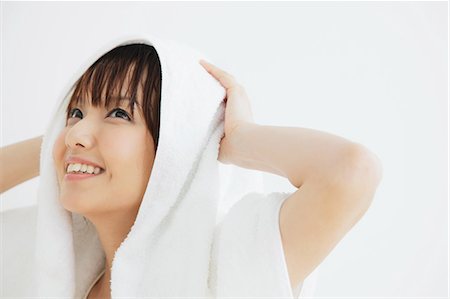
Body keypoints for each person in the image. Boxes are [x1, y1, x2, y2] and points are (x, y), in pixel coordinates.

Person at [1, 42, 383, 299]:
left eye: (118, 113)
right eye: (75, 112)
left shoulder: (226, 264)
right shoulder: (51, 265)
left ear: (173, 147)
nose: (78, 132)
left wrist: (235, 137)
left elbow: (350, 171)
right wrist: (61, 138)